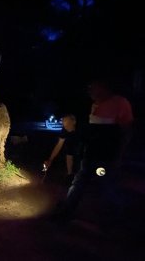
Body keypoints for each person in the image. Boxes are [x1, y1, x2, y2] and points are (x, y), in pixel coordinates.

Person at [51, 78, 134, 222]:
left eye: (93, 87)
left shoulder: (120, 103)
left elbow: (126, 131)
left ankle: (117, 214)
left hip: (107, 156)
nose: (89, 90)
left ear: (104, 87)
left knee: (106, 185)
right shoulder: (95, 104)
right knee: (79, 182)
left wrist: (119, 155)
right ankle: (66, 211)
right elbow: (94, 133)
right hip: (91, 154)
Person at [44, 114, 81, 185]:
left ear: (74, 122)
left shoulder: (81, 129)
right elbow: (59, 145)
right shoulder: (64, 130)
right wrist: (50, 159)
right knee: (69, 149)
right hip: (73, 143)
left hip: (83, 143)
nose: (65, 125)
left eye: (67, 122)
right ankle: (70, 175)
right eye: (63, 122)